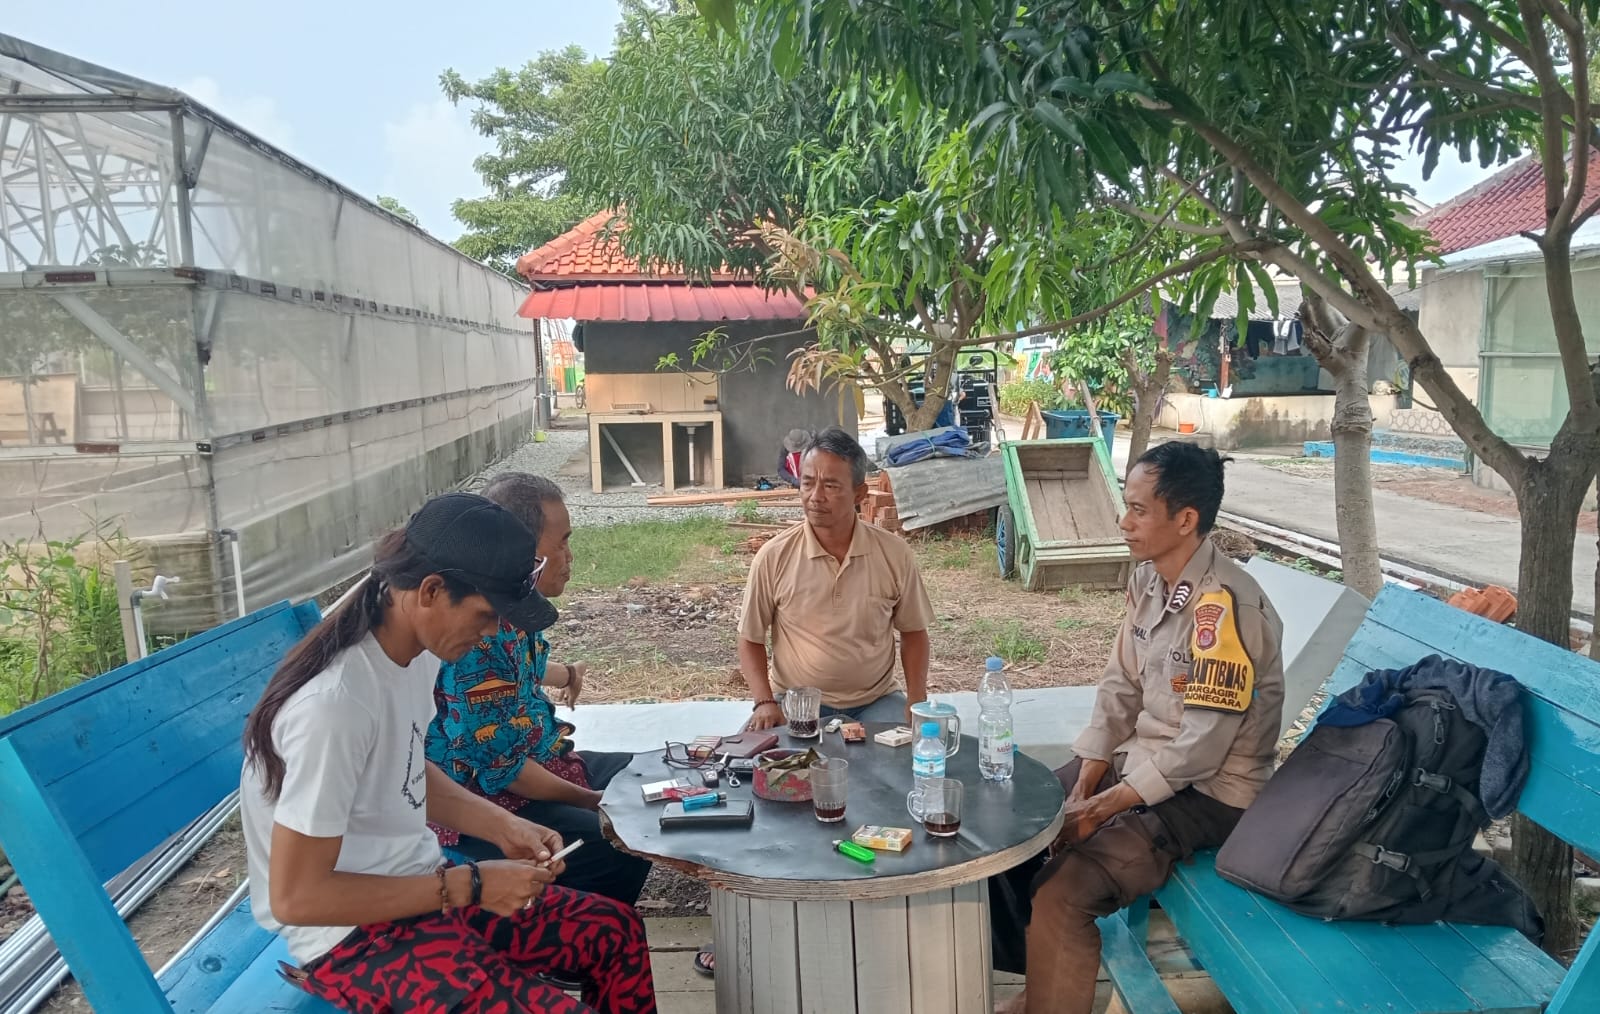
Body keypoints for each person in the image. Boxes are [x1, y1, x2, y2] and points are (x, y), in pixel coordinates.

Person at [240, 492, 656, 1014]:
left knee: (614, 933)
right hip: (354, 938)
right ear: (431, 590)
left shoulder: (413, 653)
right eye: (485, 615)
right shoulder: (334, 707)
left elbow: (404, 770)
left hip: (419, 883)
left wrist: (503, 826)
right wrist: (471, 885)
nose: (492, 632)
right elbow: (298, 899)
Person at [997, 442, 1284, 1014]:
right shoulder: (1149, 581)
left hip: (1211, 794)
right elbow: (1120, 686)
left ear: (1186, 519)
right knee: (1015, 824)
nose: (1123, 523)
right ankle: (1042, 986)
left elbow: (1199, 751)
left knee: (1064, 892)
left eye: (1138, 510)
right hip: (1142, 762)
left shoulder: (1225, 607)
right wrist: (1087, 777)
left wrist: (1100, 808)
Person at [426, 472, 652, 908]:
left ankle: (604, 918)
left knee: (648, 774)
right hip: (484, 798)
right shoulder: (478, 634)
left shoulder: (512, 613)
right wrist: (591, 801)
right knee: (619, 838)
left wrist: (566, 674)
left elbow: (517, 671)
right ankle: (588, 923)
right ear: (521, 551)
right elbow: (503, 769)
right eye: (561, 542)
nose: (569, 556)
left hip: (538, 759)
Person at [741, 427, 934, 729]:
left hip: (876, 701)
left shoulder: (894, 553)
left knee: (919, 751)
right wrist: (764, 702)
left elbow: (914, 632)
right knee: (753, 757)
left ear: (859, 493)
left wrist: (916, 701)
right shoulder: (773, 556)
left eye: (830, 486)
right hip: (796, 702)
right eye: (808, 483)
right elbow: (750, 637)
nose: (815, 497)